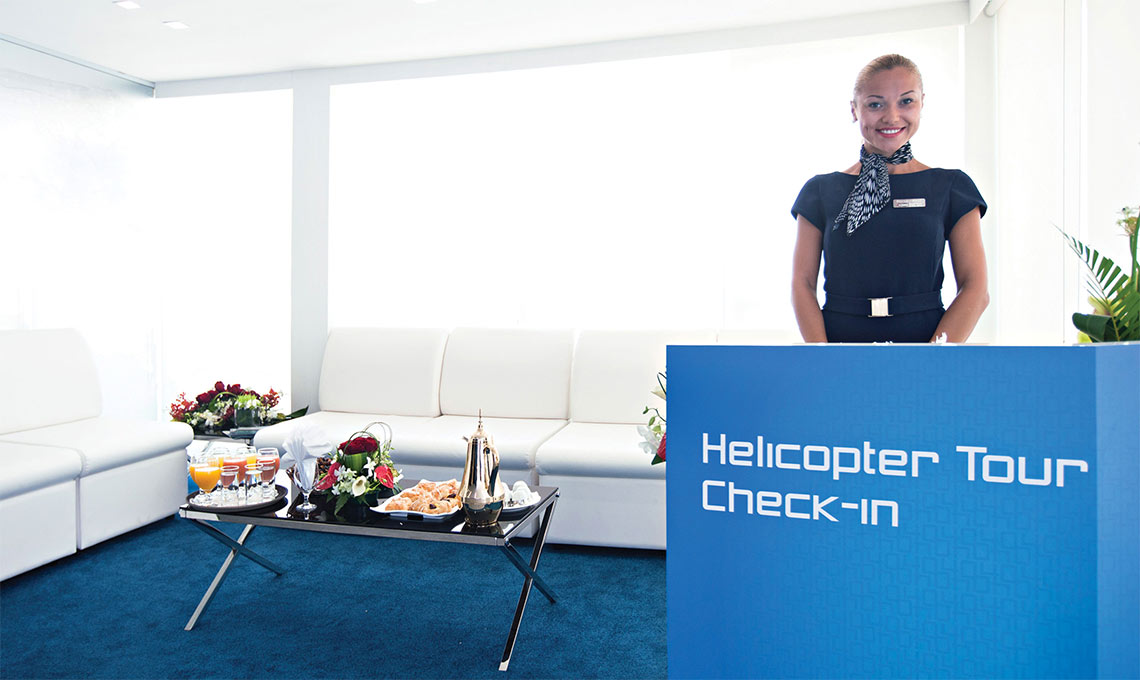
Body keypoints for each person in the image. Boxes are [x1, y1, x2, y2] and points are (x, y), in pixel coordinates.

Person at [791, 54, 989, 343]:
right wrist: (823, 356)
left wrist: (934, 357)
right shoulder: (820, 191)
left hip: (926, 345)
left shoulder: (952, 187)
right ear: (854, 110)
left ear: (922, 103)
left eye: (906, 101)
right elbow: (802, 284)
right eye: (875, 104)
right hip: (839, 347)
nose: (892, 116)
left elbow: (976, 288)